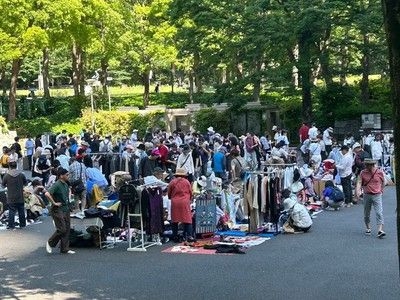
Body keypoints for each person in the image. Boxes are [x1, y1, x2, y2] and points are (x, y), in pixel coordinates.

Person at [45, 168, 75, 254]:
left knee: (67, 228)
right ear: (61, 176)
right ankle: (50, 242)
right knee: (62, 228)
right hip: (58, 209)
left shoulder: (65, 184)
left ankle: (64, 248)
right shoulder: (57, 184)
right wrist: (54, 203)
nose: (68, 176)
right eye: (67, 175)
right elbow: (47, 193)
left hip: (66, 208)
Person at [356, 159, 386, 238]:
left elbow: (383, 182)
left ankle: (380, 230)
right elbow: (359, 182)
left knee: (379, 212)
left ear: (373, 164)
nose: (370, 167)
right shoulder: (363, 172)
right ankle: (368, 227)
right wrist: (358, 191)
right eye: (368, 165)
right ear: (366, 165)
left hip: (377, 195)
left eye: (371, 165)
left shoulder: (379, 172)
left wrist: (381, 190)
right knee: (366, 214)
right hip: (367, 195)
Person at [168, 168, 194, 242]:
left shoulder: (172, 182)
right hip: (185, 202)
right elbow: (190, 192)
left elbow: (169, 193)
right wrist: (190, 199)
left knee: (175, 220)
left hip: (175, 202)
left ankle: (175, 236)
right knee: (187, 219)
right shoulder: (187, 182)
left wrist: (172, 197)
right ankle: (189, 236)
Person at [2, 161, 28, 229]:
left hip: (11, 197)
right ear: (16, 166)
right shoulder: (21, 174)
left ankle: (11, 225)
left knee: (11, 211)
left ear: (10, 167)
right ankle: (22, 225)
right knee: (21, 210)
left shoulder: (6, 175)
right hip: (20, 196)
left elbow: (3, 185)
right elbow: (26, 183)